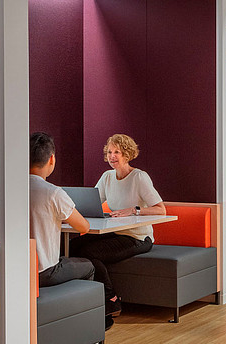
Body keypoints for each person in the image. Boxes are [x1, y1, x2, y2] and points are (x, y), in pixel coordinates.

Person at [69, 134, 165, 315]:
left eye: (117, 152)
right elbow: (93, 201)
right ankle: (81, 300)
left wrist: (133, 210)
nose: (112, 156)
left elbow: (161, 210)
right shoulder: (107, 177)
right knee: (71, 246)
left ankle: (111, 299)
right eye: (109, 152)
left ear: (127, 154)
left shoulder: (139, 177)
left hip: (137, 237)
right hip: (115, 232)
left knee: (89, 252)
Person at [29, 132, 114, 330]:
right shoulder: (53, 192)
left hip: (18, 270)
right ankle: (88, 325)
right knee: (89, 266)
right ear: (52, 159)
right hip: (45, 271)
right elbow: (83, 226)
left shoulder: (10, 189)